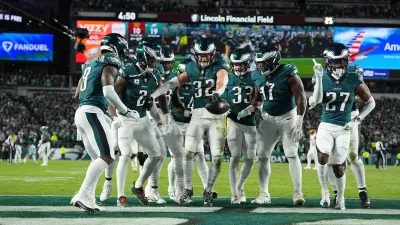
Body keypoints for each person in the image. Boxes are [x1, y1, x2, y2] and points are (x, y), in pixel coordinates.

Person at [149, 36, 229, 206]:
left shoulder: (220, 65)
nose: (203, 58)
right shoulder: (191, 68)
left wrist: (218, 91)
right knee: (187, 153)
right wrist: (155, 94)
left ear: (213, 54)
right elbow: (175, 82)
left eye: (207, 55)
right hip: (197, 115)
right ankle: (187, 188)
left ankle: (208, 190)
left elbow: (222, 79)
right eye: (200, 55)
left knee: (216, 157)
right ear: (196, 54)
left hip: (215, 116)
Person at [70, 33, 137, 212]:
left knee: (97, 159)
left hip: (83, 112)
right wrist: (125, 111)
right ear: (117, 48)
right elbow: (108, 91)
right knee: (107, 156)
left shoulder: (91, 63)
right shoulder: (111, 60)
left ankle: (88, 197)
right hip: (92, 113)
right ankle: (83, 194)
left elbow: (76, 95)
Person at [309, 43, 375, 210]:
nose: (338, 65)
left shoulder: (354, 75)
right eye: (335, 62)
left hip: (350, 117)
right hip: (331, 120)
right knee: (330, 160)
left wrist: (358, 118)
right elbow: (318, 99)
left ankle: (362, 191)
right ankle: (336, 193)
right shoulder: (323, 75)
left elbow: (363, 99)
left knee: (352, 156)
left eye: (341, 61)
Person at [112, 38, 170, 206]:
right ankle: (120, 195)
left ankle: (138, 186)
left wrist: (163, 118)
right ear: (142, 57)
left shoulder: (155, 73)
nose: (154, 63)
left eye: (155, 59)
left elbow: (160, 94)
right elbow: (112, 96)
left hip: (143, 119)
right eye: (151, 59)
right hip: (126, 118)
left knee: (157, 154)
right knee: (126, 154)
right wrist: (114, 116)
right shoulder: (128, 70)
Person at [251, 45, 306, 206]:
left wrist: (299, 120)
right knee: (261, 155)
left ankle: (297, 192)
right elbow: (256, 97)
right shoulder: (257, 75)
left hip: (287, 117)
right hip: (267, 118)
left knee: (291, 153)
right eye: (259, 63)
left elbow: (301, 97)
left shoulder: (289, 73)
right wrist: (253, 107)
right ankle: (264, 193)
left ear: (274, 61)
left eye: (264, 63)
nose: (261, 67)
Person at [167, 58, 212, 201]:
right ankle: (174, 190)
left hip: (194, 125)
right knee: (177, 159)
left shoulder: (199, 85)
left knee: (199, 157)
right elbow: (172, 106)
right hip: (176, 125)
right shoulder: (175, 87)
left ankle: (207, 190)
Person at [226, 47, 258, 204]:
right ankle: (234, 193)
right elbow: (220, 99)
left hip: (250, 122)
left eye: (241, 64)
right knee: (235, 157)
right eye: (235, 64)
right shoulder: (227, 78)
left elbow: (258, 99)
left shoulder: (254, 77)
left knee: (250, 159)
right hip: (233, 121)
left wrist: (252, 108)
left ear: (247, 64)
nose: (237, 67)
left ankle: (240, 186)